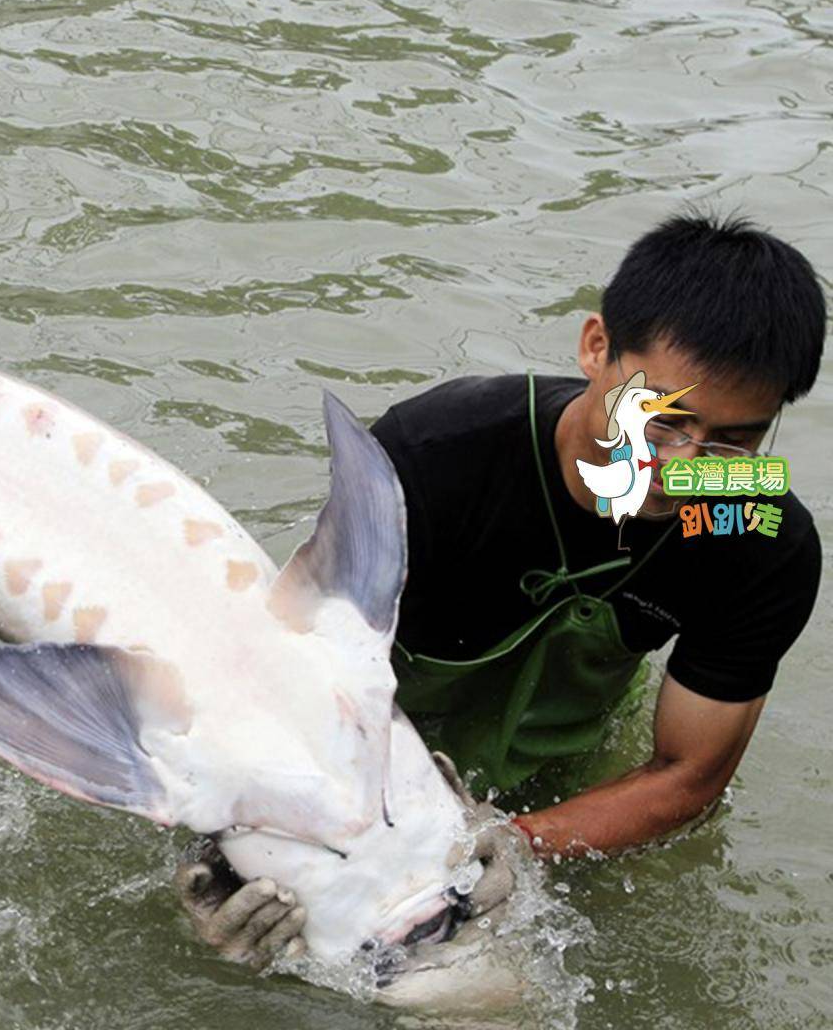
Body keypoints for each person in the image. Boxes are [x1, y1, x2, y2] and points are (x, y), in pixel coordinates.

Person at [178, 212, 825, 966]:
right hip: (362, 743)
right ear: (596, 347)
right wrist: (228, 865)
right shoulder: (432, 457)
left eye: (732, 442)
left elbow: (688, 774)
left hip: (553, 781)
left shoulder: (761, 537)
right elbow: (278, 675)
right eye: (659, 423)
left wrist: (512, 845)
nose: (679, 463)